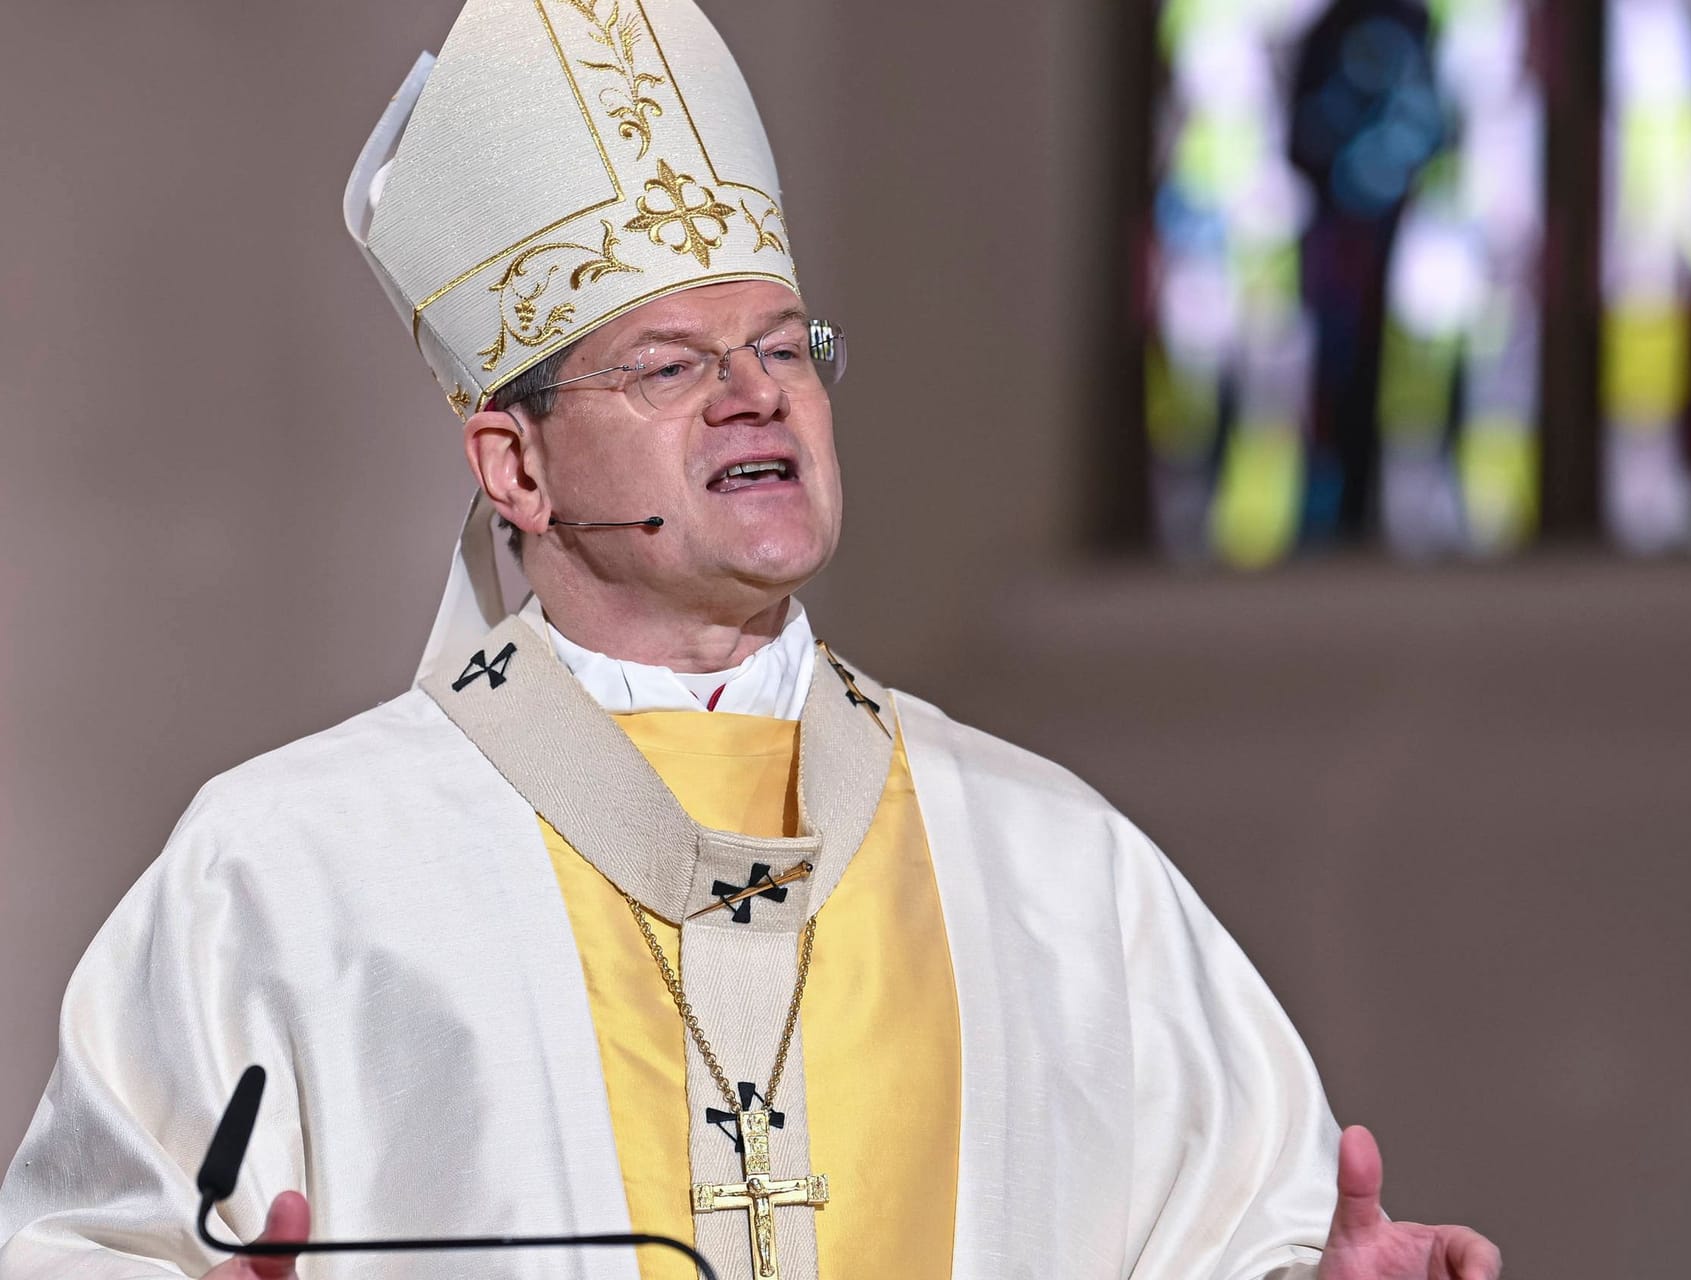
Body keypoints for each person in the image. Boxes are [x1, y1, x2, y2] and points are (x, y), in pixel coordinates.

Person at [0, 2, 1501, 1277]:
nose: (756, 394)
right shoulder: (289, 873)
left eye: (785, 348)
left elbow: (1231, 1229)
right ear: (511, 467)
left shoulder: (1051, 864)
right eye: (670, 365)